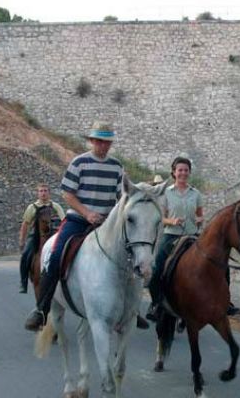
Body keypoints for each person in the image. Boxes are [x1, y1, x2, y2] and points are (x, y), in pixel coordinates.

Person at [24, 121, 149, 331]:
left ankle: (132, 310)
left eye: (106, 142)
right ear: (91, 141)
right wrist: (87, 213)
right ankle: (42, 310)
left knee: (132, 256)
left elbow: (122, 197)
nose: (102, 146)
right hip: (78, 220)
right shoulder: (79, 162)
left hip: (107, 224)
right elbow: (68, 194)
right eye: (99, 141)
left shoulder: (116, 166)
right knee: (55, 257)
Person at [146, 156, 239, 322]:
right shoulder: (166, 193)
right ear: (174, 172)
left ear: (189, 173)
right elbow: (161, 217)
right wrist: (171, 221)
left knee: (222, 264)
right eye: (180, 170)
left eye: (186, 170)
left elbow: (200, 215)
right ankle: (155, 303)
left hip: (193, 235)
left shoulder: (196, 194)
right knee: (157, 266)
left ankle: (226, 301)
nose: (183, 173)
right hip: (172, 235)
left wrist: (199, 220)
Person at [18, 183, 65, 293]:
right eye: (41, 191)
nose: (43, 193)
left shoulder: (56, 206)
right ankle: (23, 282)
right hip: (35, 236)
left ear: (49, 193)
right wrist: (22, 240)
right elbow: (25, 224)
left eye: (45, 191)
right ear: (38, 193)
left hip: (53, 235)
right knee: (25, 255)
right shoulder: (32, 207)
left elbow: (64, 221)